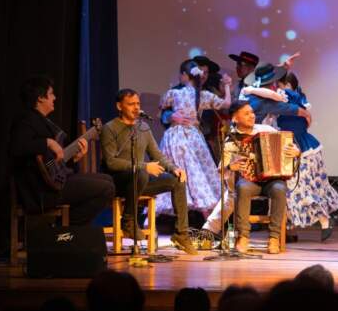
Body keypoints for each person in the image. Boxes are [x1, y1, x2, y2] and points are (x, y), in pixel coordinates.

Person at [100, 88, 197, 254]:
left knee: (177, 180)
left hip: (141, 180)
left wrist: (173, 168)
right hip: (120, 182)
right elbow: (111, 163)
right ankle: (129, 220)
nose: (136, 107)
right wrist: (144, 166)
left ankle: (181, 234)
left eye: (138, 104)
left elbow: (156, 154)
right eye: (131, 104)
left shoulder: (143, 127)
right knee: (142, 172)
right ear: (119, 106)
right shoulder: (109, 128)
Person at [10, 76, 113, 226]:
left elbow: (53, 163)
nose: (55, 98)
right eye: (51, 94)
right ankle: (64, 230)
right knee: (106, 188)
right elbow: (16, 147)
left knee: (107, 180)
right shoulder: (25, 120)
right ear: (40, 98)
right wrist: (48, 142)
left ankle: (64, 228)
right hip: (41, 191)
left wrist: (75, 158)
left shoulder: (42, 120)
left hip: (53, 182)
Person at [157, 59, 230, 233]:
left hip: (176, 139)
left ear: (184, 75)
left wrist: (168, 114)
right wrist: (227, 86)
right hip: (192, 139)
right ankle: (211, 226)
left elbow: (159, 109)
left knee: (185, 176)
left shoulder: (174, 93)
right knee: (197, 177)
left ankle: (152, 224)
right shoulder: (201, 95)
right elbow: (226, 104)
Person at [223, 100, 301, 254]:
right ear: (235, 118)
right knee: (242, 187)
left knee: (279, 188)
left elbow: (289, 144)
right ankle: (243, 237)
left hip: (272, 180)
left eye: (252, 112)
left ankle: (274, 238)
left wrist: (296, 151)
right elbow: (220, 169)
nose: (252, 116)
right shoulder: (231, 141)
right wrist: (230, 167)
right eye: (246, 113)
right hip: (250, 181)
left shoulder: (266, 129)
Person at [276, 72, 338, 241]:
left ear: (288, 85)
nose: (277, 88)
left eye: (279, 84)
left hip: (303, 148)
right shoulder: (290, 100)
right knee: (292, 189)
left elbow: (295, 103)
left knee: (302, 187)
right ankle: (291, 229)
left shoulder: (291, 96)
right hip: (291, 145)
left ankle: (324, 220)